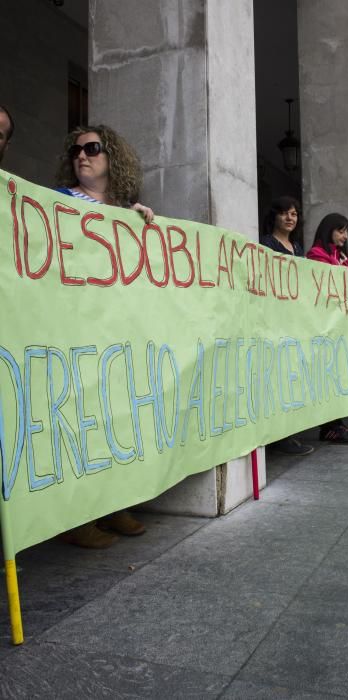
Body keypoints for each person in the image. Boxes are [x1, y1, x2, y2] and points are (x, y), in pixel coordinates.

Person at [55, 124, 154, 548]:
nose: (83, 155)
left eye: (92, 148)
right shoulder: (57, 202)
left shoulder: (124, 211)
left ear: (112, 156)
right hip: (77, 326)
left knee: (116, 419)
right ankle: (79, 517)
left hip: (118, 331)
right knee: (83, 419)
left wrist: (145, 223)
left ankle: (113, 505)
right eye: (76, 150)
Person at [306, 213, 348, 441]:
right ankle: (329, 426)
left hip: (345, 320)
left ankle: (337, 423)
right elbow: (332, 279)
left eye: (347, 232)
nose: (345, 236)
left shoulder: (337, 255)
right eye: (341, 231)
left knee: (341, 371)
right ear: (329, 230)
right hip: (328, 324)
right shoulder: (317, 255)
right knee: (330, 372)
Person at [260, 197, 314, 456]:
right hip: (274, 321)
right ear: (275, 216)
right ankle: (278, 435)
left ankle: (288, 432)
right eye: (284, 213)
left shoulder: (297, 247)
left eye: (293, 213)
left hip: (294, 322)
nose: (290, 218)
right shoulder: (266, 243)